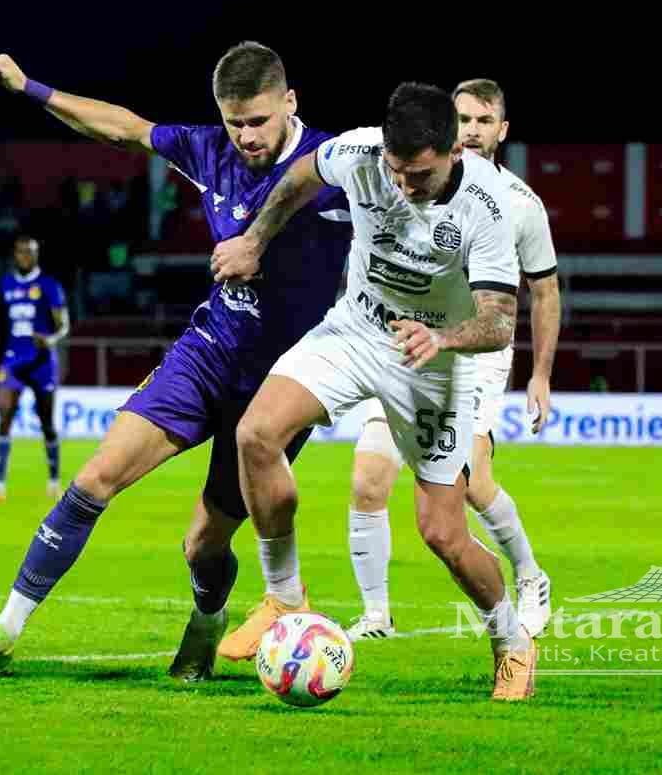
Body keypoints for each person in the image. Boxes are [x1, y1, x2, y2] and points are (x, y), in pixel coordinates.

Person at [0, 42, 351, 681]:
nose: (244, 136)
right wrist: (30, 88)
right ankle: (4, 630)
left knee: (202, 546)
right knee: (94, 479)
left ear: (290, 102)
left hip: (280, 383)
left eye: (258, 121)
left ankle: (208, 619)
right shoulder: (209, 148)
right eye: (233, 121)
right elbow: (123, 127)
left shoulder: (335, 165)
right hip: (208, 352)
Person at [211, 82, 537, 701]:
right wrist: (256, 239)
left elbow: (498, 321)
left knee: (442, 533)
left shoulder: (490, 207)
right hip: (356, 330)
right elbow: (303, 173)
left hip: (434, 363)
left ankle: (512, 642)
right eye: (397, 171)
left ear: (451, 153)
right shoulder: (360, 154)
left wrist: (444, 340)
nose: (405, 186)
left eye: (419, 175)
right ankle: (284, 597)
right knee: (255, 434)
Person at [343, 79, 560, 643]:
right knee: (368, 479)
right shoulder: (410, 186)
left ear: (501, 130)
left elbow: (544, 292)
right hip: (409, 343)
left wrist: (540, 374)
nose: (472, 128)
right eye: (462, 118)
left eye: (484, 120)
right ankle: (375, 617)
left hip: (477, 353)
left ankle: (531, 575)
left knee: (472, 483)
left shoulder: (519, 205)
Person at [0, 235, 70, 502]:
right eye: (21, 252)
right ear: (15, 255)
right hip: (12, 360)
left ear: (36, 255)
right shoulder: (5, 285)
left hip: (42, 362)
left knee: (46, 422)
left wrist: (51, 340)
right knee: (4, 416)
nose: (25, 256)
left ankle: (54, 481)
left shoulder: (49, 285)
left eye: (30, 252)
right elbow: (0, 327)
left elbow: (63, 325)